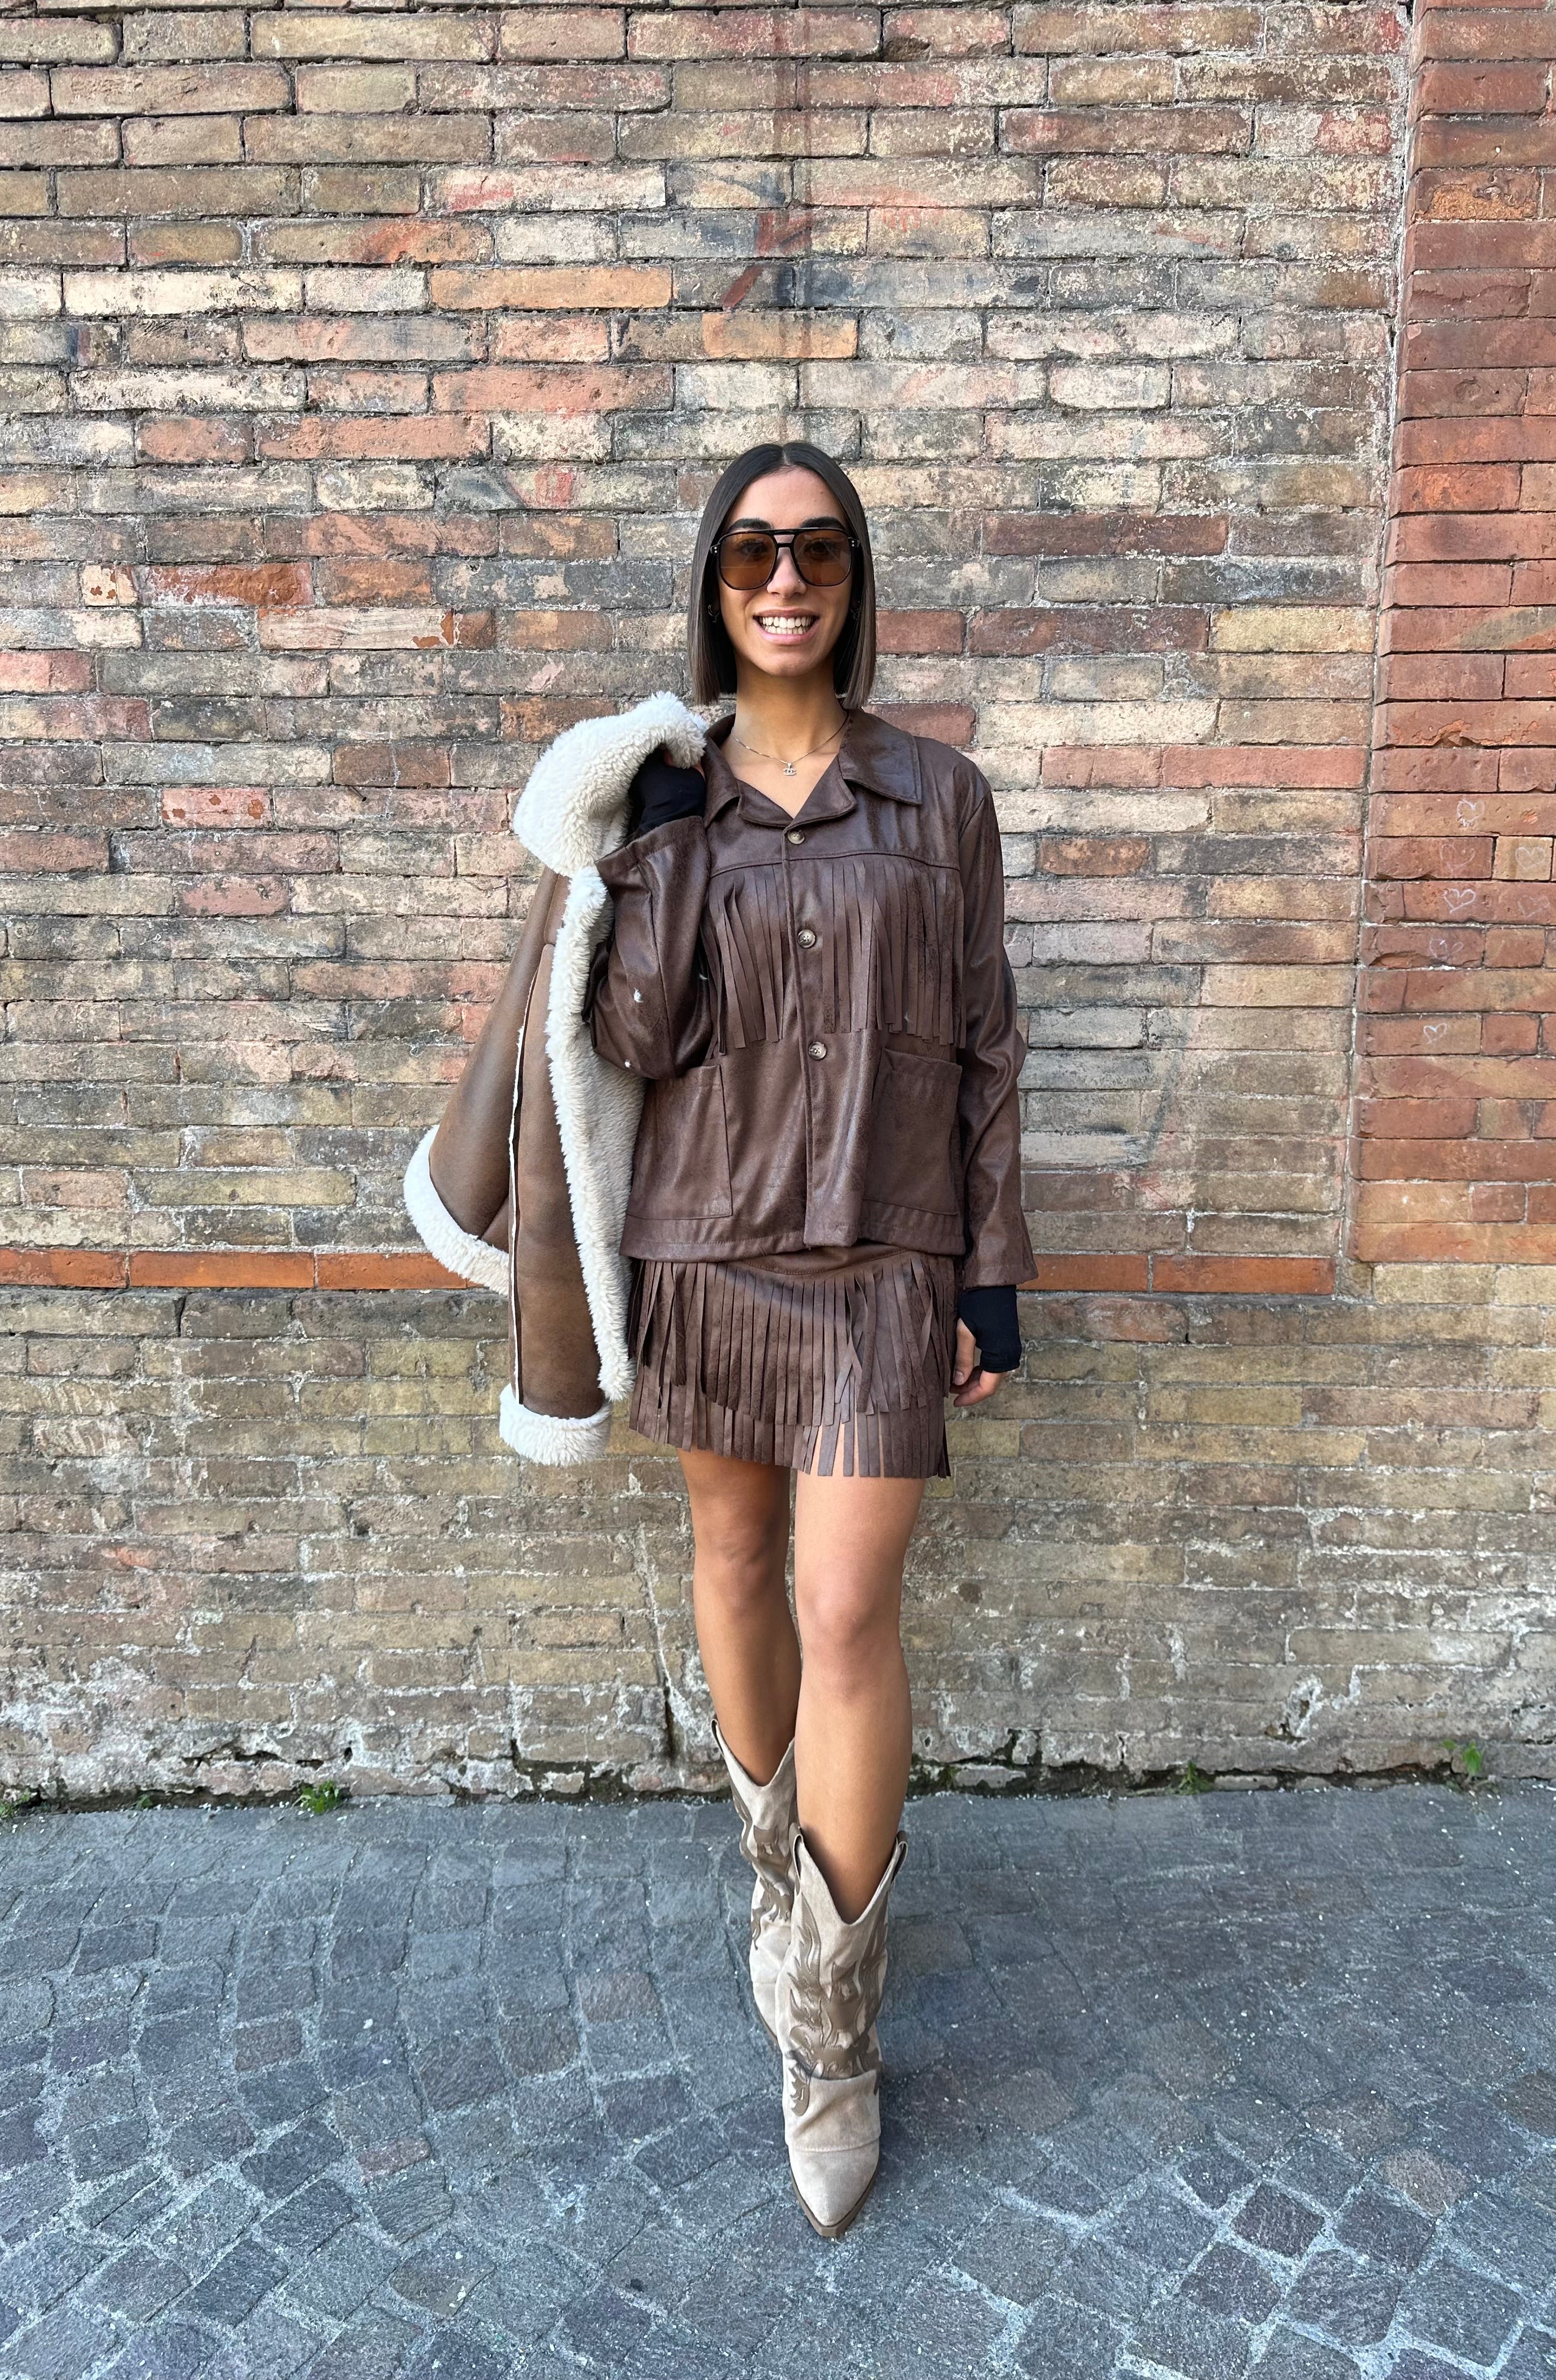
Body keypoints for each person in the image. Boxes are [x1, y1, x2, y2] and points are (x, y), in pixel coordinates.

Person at [585, 440, 1035, 2237]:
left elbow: (988, 1041)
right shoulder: (668, 793)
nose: (787, 580)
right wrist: (659, 849)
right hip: (706, 1243)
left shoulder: (940, 796)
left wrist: (990, 1272)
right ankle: (776, 1879)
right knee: (733, 1558)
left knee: (847, 1607)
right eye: (755, 552)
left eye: (821, 551)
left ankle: (832, 2029)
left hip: (883, 1253)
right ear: (714, 581)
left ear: (855, 581)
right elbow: (633, 1038)